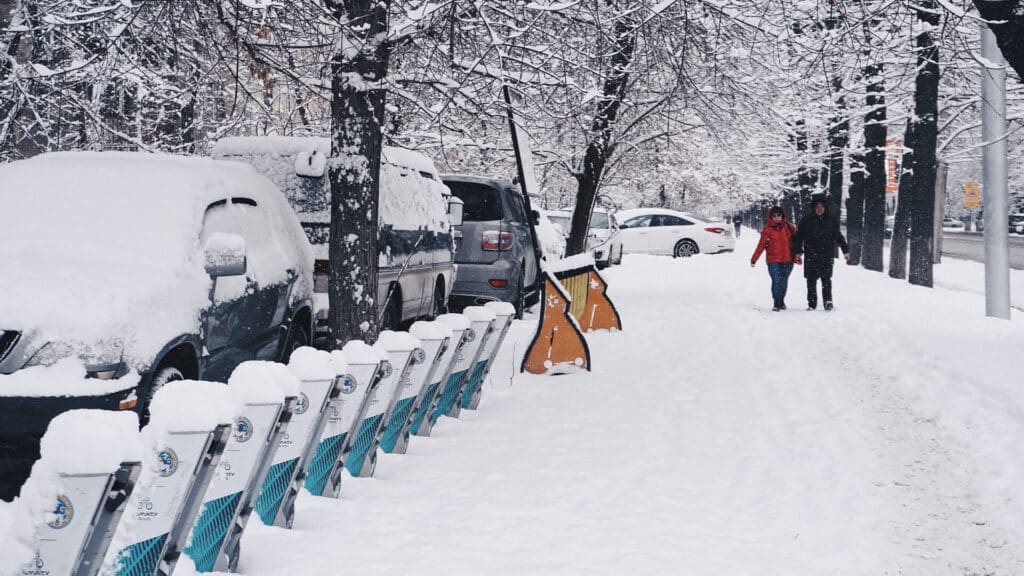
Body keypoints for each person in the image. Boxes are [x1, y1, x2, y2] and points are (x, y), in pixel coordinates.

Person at [792, 194, 849, 311]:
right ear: (813, 207)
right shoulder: (806, 220)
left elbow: (838, 236)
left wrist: (845, 250)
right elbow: (799, 237)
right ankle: (812, 303)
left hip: (826, 255)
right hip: (810, 255)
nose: (819, 208)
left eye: (821, 206)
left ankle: (828, 301)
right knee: (811, 280)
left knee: (826, 279)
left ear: (825, 207)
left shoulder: (830, 220)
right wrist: (798, 251)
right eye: (817, 206)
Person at [750, 205, 798, 311]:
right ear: (770, 217)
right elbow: (761, 245)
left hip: (788, 260)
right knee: (776, 280)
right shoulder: (767, 230)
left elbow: (797, 242)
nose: (776, 217)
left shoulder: (789, 228)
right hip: (773, 261)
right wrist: (754, 258)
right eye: (774, 215)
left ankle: (781, 300)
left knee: (784, 281)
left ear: (782, 216)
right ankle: (776, 302)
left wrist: (799, 253)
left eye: (779, 215)